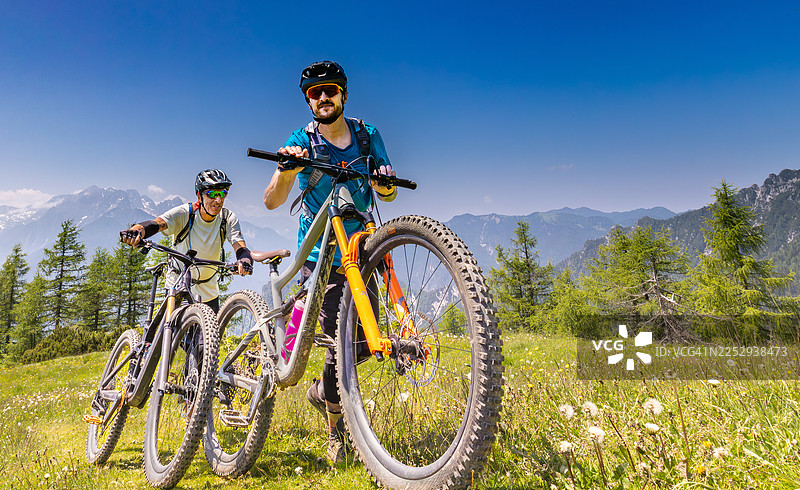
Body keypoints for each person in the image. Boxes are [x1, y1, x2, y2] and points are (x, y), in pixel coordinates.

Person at [263, 60, 396, 463]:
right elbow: (271, 200)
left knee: (361, 346)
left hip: (362, 252)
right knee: (337, 345)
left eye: (330, 90)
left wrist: (385, 182)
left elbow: (386, 194)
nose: (323, 98)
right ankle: (337, 431)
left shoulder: (367, 136)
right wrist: (288, 169)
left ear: (343, 95)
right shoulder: (299, 140)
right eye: (315, 93)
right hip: (323, 257)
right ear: (309, 101)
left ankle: (322, 393)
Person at [122, 168, 253, 313]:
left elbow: (240, 247)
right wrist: (136, 231)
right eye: (212, 194)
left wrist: (245, 261)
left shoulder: (227, 218)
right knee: (171, 331)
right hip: (178, 286)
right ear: (199, 195)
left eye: (223, 193)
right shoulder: (185, 213)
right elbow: (156, 224)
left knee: (210, 336)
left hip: (209, 292)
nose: (218, 200)